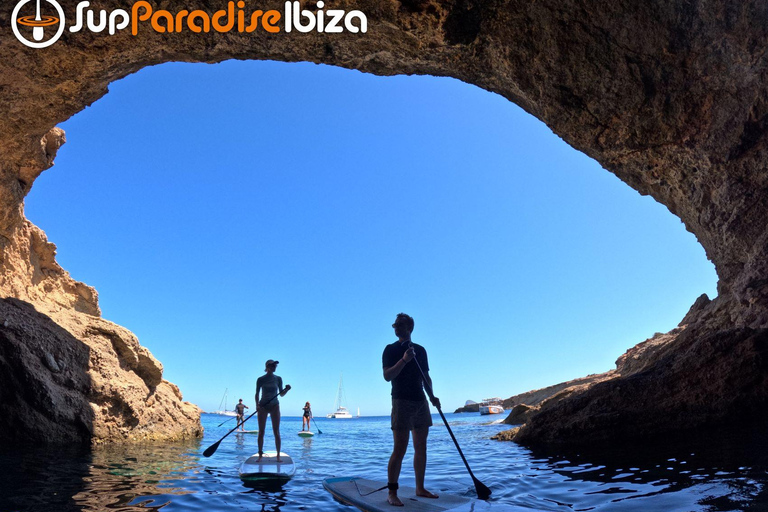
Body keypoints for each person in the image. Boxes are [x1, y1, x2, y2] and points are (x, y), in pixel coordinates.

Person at [382, 313, 441, 507]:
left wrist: (432, 396)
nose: (395, 327)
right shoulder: (390, 350)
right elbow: (387, 376)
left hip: (421, 401)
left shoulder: (421, 351)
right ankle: (392, 493)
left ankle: (420, 488)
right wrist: (404, 360)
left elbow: (426, 377)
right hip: (401, 401)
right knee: (400, 449)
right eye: (394, 325)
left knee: (421, 446)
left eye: (399, 325)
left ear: (410, 327)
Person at [255, 359, 291, 461]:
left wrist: (286, 389)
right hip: (263, 406)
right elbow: (257, 393)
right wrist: (257, 405)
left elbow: (281, 394)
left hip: (275, 406)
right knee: (261, 432)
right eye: (272, 365)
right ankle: (260, 455)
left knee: (276, 431)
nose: (274, 367)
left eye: (275, 365)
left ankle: (278, 456)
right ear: (267, 367)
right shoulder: (260, 379)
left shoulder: (278, 379)